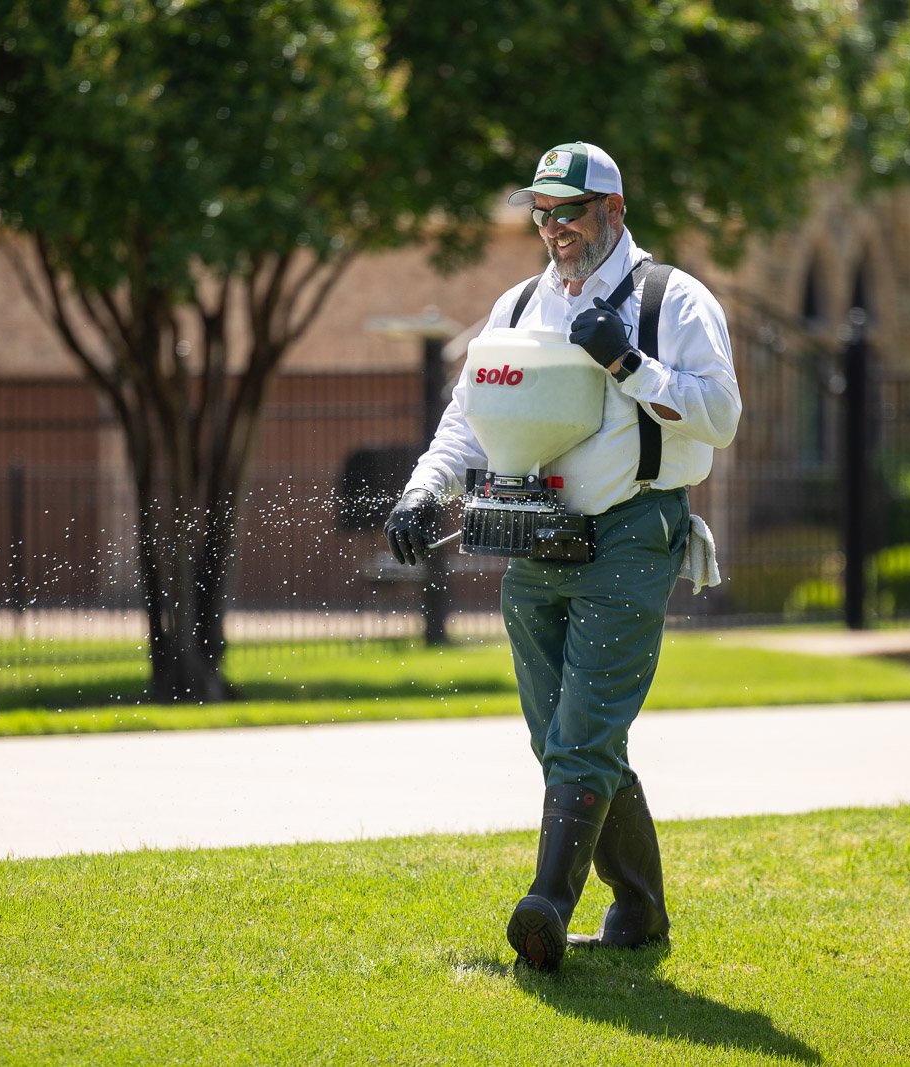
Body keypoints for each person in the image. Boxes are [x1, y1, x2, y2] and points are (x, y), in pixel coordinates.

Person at [384, 141, 741, 973]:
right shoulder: (516, 309)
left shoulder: (673, 300)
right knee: (564, 738)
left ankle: (547, 903)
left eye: (569, 211)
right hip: (534, 528)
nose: (553, 228)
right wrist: (422, 490)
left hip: (634, 530)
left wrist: (627, 360)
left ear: (613, 211)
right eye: (541, 213)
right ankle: (642, 910)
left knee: (582, 736)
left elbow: (719, 415)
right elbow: (467, 418)